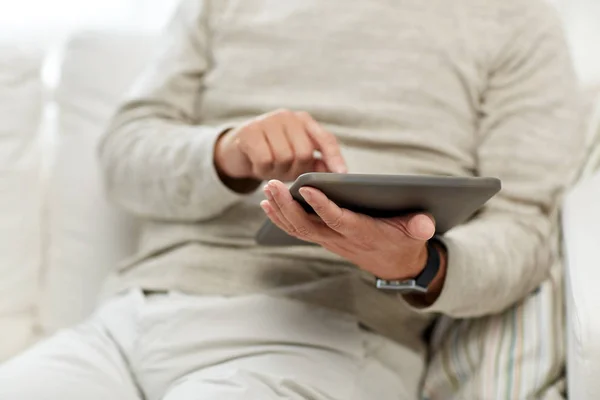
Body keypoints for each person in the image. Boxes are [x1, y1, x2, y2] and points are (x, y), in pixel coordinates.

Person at [0, 0, 584, 399]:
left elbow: (523, 230)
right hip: (128, 319)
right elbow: (123, 157)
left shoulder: (515, 20)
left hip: (324, 332)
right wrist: (227, 152)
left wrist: (417, 264)